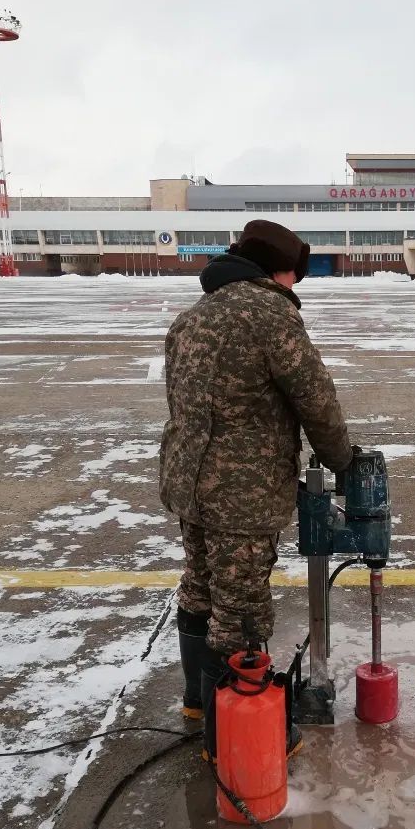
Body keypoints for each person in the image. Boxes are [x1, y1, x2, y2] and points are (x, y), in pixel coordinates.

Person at [159, 219, 354, 758]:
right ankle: (234, 743)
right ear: (279, 269)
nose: (295, 287)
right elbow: (316, 400)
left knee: (200, 587)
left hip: (190, 483)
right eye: (295, 275)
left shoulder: (192, 319)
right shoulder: (270, 316)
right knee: (241, 609)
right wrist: (342, 463)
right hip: (240, 494)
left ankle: (200, 703)